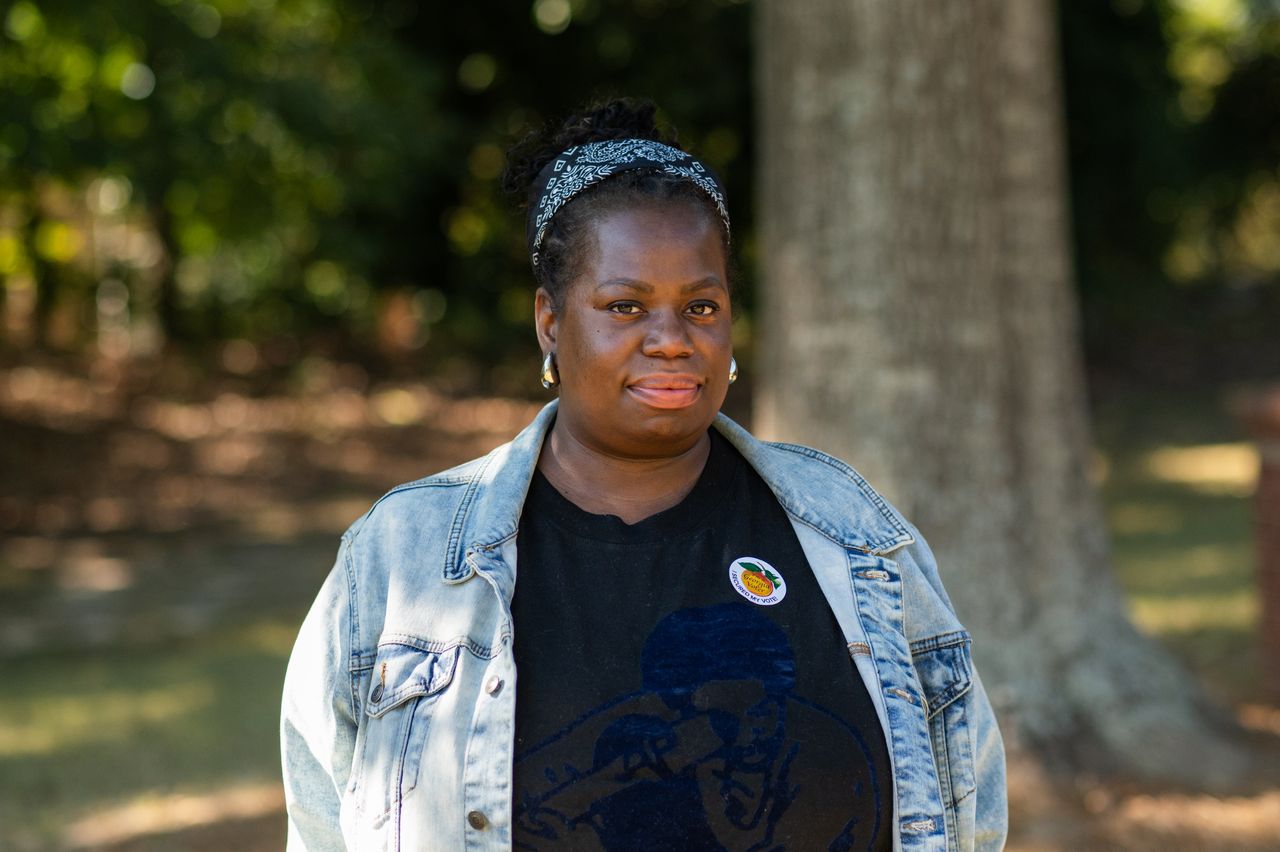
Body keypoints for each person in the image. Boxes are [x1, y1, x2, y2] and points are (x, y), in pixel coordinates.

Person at [280, 98, 1007, 852]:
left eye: (701, 305)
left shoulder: (854, 536)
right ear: (550, 322)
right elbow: (321, 819)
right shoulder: (405, 558)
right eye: (625, 305)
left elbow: (967, 798)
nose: (670, 340)